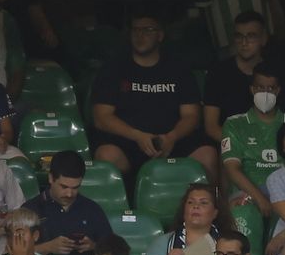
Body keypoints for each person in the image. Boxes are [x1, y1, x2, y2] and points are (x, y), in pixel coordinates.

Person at [91, 11, 218, 182]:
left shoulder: (178, 68)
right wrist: (137, 135)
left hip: (172, 142)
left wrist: (172, 137)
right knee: (106, 154)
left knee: (207, 154)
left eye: (148, 30)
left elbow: (192, 116)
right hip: (129, 143)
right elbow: (101, 117)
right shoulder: (113, 68)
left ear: (160, 35)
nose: (140, 35)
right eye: (135, 30)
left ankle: (210, 207)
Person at [22, 150, 113, 255]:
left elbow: (113, 250)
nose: (69, 194)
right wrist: (48, 247)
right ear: (51, 178)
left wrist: (93, 246)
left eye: (75, 188)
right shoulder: (30, 210)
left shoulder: (92, 209)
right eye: (64, 187)